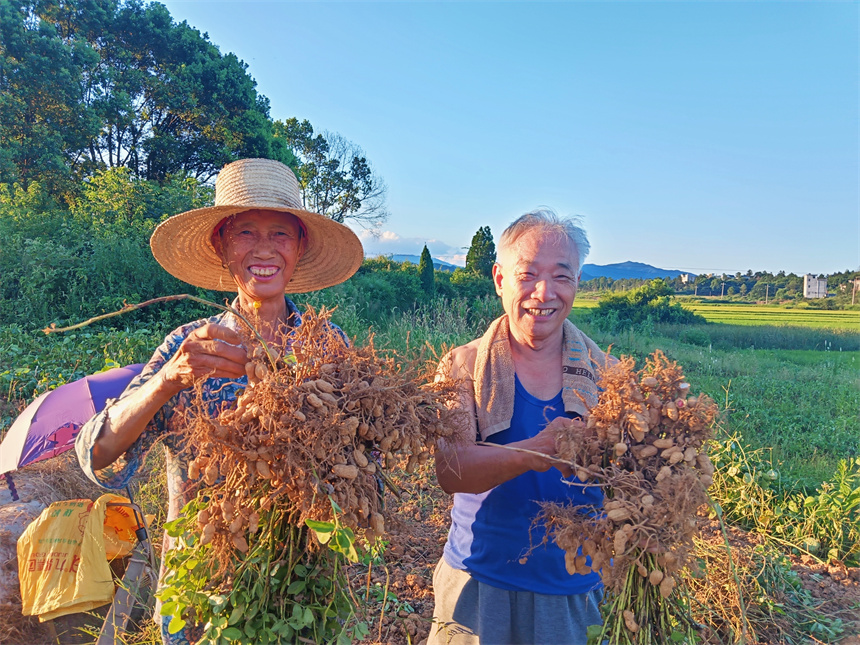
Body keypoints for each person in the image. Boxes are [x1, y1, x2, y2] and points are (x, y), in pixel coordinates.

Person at [75, 158, 363, 644]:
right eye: (245, 232)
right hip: (200, 590)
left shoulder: (329, 346)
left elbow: (362, 458)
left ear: (300, 248)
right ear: (221, 246)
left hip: (300, 587)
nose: (264, 249)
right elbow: (96, 454)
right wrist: (168, 380)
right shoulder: (188, 345)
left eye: (280, 234)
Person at [429, 209, 610, 645]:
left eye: (561, 277)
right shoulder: (463, 365)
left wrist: (665, 430)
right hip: (478, 580)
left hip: (572, 585)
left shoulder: (608, 375)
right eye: (527, 274)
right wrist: (540, 449)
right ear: (499, 279)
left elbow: (631, 477)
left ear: (577, 285)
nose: (543, 293)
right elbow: (450, 471)